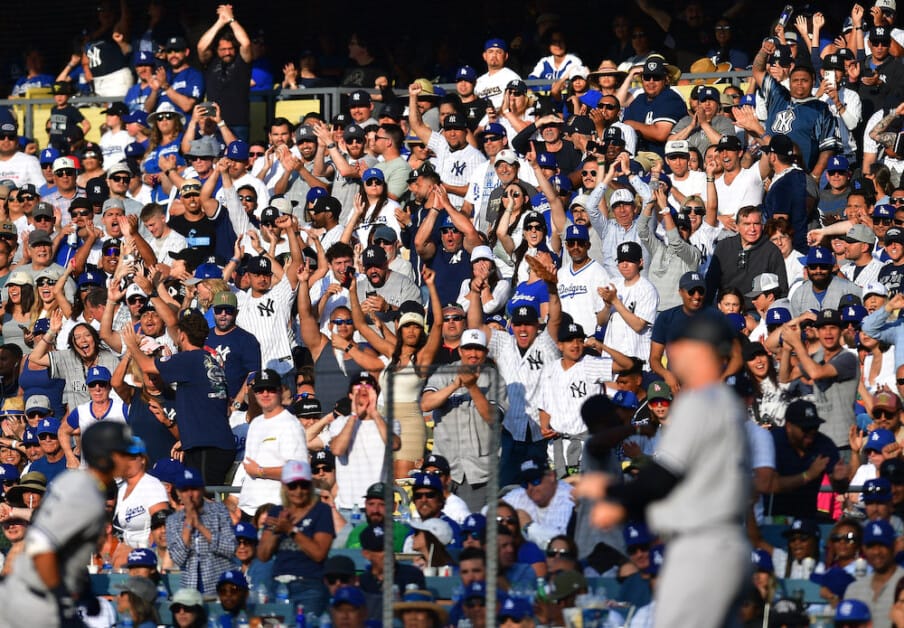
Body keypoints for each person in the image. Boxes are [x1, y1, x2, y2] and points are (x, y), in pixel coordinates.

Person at [582, 310, 751, 628]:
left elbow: (660, 479)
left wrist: (609, 493)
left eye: (680, 345)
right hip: (728, 545)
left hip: (699, 548)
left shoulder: (698, 402)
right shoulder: (727, 402)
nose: (672, 354)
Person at [0, 421, 133, 628]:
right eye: (124, 451)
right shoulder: (86, 494)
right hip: (34, 602)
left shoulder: (76, 483)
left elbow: (65, 546)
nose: (129, 457)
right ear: (106, 455)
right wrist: (60, 599)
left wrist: (83, 588)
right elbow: (41, 548)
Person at [122, 311, 235, 484]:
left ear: (182, 335)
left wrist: (132, 346)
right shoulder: (211, 360)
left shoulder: (188, 359)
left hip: (206, 448)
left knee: (203, 502)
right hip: (216, 443)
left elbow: (146, 366)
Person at [257, 459, 335, 616]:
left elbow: (319, 554)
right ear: (285, 487)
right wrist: (275, 531)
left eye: (304, 485)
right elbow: (263, 556)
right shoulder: (276, 512)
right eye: (293, 485)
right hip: (278, 585)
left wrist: (291, 530)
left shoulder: (321, 511)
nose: (299, 490)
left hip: (309, 584)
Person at [237, 369, 307, 519]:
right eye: (260, 390)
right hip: (248, 508)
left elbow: (298, 471)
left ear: (281, 391)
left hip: (275, 509)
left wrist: (260, 471)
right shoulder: (256, 423)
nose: (265, 394)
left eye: (270, 389)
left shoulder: (290, 424)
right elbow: (248, 466)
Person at [165, 466, 236, 594]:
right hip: (190, 587)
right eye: (185, 490)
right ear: (178, 493)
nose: (190, 494)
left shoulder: (219, 511)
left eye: (194, 489)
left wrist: (200, 527)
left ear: (202, 490)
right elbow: (178, 558)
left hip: (220, 585)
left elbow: (230, 548)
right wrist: (188, 525)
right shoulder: (173, 520)